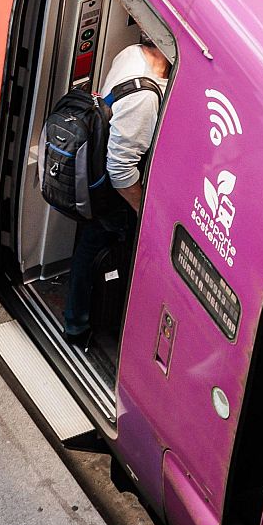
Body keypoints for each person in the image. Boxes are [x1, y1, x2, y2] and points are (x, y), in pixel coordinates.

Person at [63, 40, 169, 347]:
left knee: (89, 247)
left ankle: (78, 323)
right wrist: (145, 213)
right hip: (115, 192)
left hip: (98, 177)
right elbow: (121, 171)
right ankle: (87, 325)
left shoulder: (131, 53)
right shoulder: (145, 97)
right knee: (104, 249)